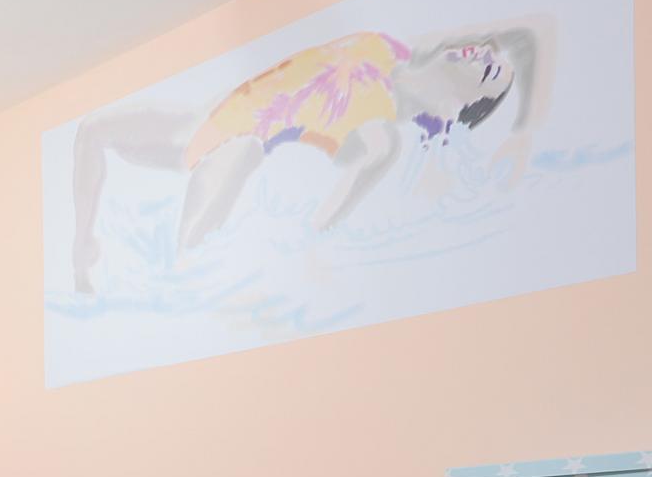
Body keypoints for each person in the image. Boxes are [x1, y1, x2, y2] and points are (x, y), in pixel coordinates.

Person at [70, 20, 554, 294]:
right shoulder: (403, 52)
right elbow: (528, 33)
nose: (484, 54)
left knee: (191, 255)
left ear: (458, 105)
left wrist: (312, 253)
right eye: (486, 52)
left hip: (234, 147)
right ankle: (81, 247)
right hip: (201, 119)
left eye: (489, 73)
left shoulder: (383, 134)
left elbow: (323, 222)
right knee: (90, 129)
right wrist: (524, 129)